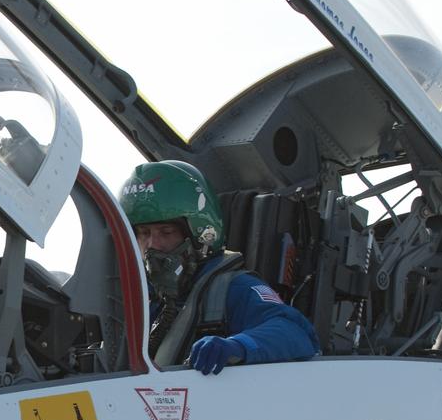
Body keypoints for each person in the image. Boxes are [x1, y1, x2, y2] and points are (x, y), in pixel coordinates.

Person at [119, 160, 319, 374]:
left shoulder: (235, 288)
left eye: (166, 232)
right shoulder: (140, 296)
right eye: (143, 233)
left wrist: (237, 346)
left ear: (201, 233)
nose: (152, 245)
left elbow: (296, 333)